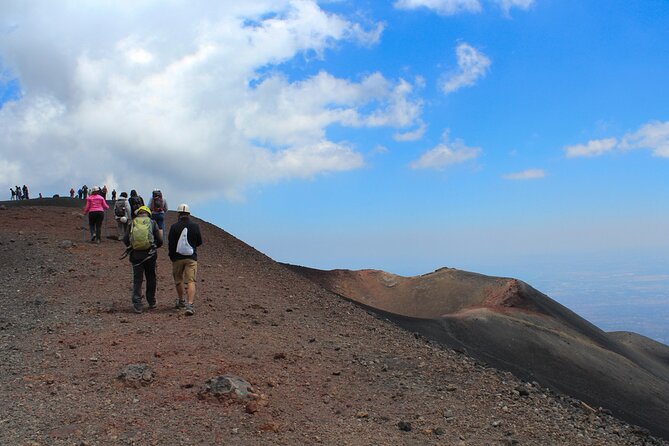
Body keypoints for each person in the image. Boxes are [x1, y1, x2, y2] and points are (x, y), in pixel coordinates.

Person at [124, 205, 163, 313]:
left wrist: (132, 247)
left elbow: (125, 239)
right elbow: (160, 240)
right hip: (150, 256)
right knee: (151, 277)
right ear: (148, 214)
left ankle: (137, 304)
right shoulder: (152, 223)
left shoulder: (132, 223)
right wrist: (154, 247)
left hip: (136, 256)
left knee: (137, 280)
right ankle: (151, 301)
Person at [168, 204, 203, 316]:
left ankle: (181, 301)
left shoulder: (174, 227)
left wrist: (172, 257)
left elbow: (171, 244)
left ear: (178, 214)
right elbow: (199, 242)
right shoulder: (195, 226)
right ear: (189, 214)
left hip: (177, 258)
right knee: (191, 281)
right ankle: (190, 304)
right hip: (191, 258)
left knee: (179, 280)